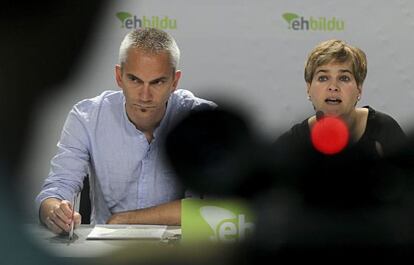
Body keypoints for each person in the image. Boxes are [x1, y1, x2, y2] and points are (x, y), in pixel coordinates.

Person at [36, 28, 216, 235]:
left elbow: (211, 207)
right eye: (135, 80)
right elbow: (56, 188)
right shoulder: (86, 117)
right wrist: (55, 212)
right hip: (106, 249)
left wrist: (126, 219)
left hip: (180, 250)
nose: (145, 95)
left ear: (174, 81)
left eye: (157, 82)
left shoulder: (201, 117)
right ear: (119, 77)